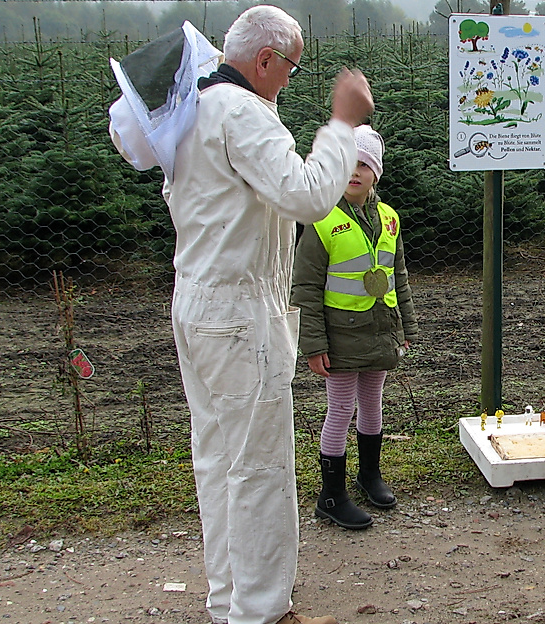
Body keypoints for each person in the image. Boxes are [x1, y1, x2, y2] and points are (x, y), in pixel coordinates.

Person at [145, 6, 372, 624]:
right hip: (239, 312)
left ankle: (231, 603)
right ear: (266, 60)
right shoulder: (241, 111)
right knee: (260, 468)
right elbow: (305, 194)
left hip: (196, 301)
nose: (290, 81)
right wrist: (343, 125)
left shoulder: (192, 104)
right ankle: (264, 612)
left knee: (217, 458)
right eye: (291, 69)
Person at [291, 125, 418, 530]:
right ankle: (331, 495)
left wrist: (407, 327)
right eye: (347, 162)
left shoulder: (390, 218)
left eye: (364, 163)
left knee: (373, 402)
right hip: (340, 337)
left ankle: (369, 476)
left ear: (376, 173)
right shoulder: (321, 219)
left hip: (380, 331)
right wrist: (313, 344)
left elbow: (399, 275)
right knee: (341, 409)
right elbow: (306, 287)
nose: (355, 171)